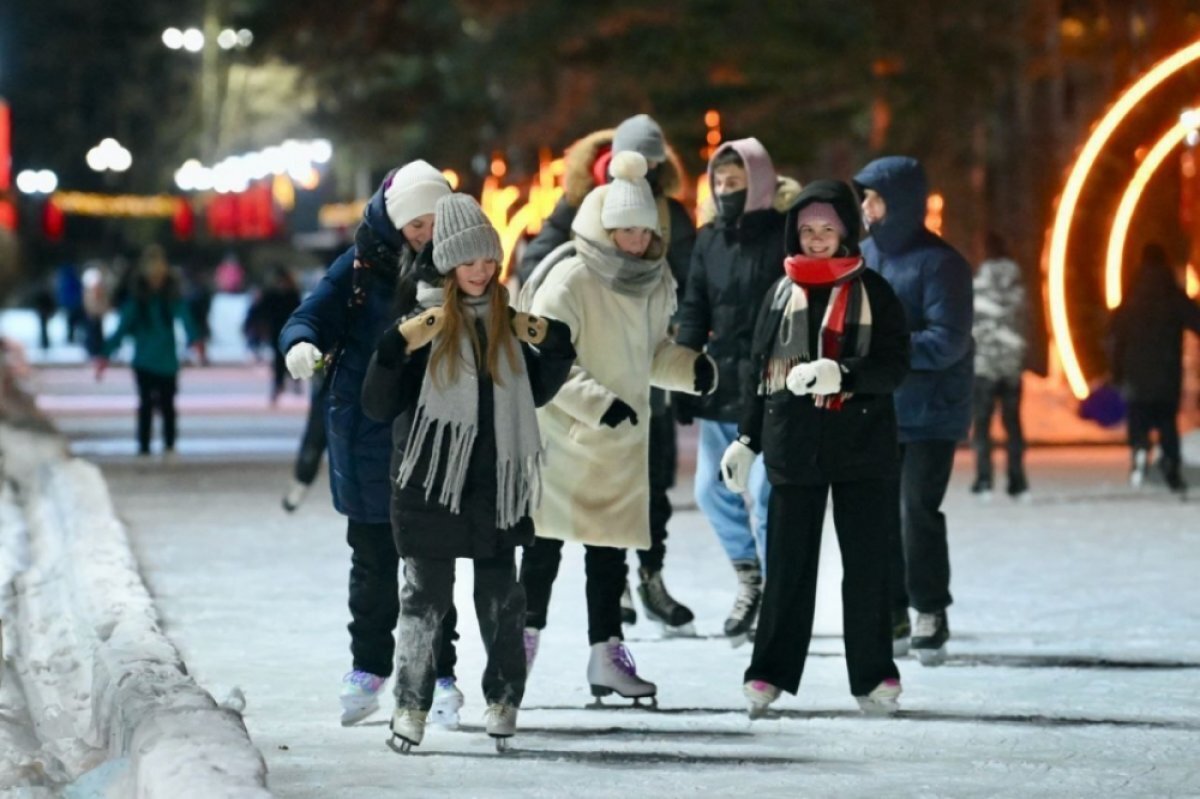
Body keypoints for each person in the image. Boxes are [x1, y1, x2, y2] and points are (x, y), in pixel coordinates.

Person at [362, 193, 575, 751]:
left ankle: (504, 698)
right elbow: (378, 406)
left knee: (503, 601)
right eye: (469, 260)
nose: (481, 270)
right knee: (424, 602)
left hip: (494, 487)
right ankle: (409, 707)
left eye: (488, 259)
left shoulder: (508, 325)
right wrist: (393, 349)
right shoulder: (422, 324)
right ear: (447, 265)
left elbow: (541, 391)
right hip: (430, 482)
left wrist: (553, 343)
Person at [518, 151, 715, 703]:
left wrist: (688, 369)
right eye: (623, 229)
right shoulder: (570, 277)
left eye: (642, 229)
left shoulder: (654, 280)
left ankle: (607, 653)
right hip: (562, 436)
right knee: (543, 547)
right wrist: (595, 404)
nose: (633, 239)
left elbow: (649, 352)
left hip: (621, 438)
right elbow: (544, 360)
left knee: (609, 554)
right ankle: (520, 643)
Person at [279, 161, 466, 727]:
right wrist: (301, 344)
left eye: (437, 220)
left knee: (432, 565)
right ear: (394, 219)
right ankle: (369, 667)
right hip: (366, 433)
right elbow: (308, 315)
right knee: (373, 562)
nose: (427, 232)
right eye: (416, 222)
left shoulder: (461, 264)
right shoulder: (358, 266)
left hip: (435, 434)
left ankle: (438, 673)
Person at [721, 179, 909, 718]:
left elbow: (895, 366)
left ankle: (874, 674)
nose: (817, 240)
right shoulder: (779, 292)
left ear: (847, 232)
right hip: (792, 446)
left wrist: (841, 373)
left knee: (868, 567)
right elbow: (759, 373)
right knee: (788, 567)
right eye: (807, 230)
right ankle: (768, 673)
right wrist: (747, 440)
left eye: (828, 230)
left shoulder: (876, 291)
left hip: (863, 447)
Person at [676, 137, 800, 645]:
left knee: (768, 491)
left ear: (760, 183)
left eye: (737, 183)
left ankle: (773, 594)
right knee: (711, 488)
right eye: (721, 184)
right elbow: (694, 307)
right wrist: (685, 373)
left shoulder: (784, 235)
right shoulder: (708, 240)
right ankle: (749, 574)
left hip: (773, 383)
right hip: (721, 381)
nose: (728, 192)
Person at [854, 156, 973, 666]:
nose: (865, 207)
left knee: (915, 512)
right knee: (877, 516)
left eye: (874, 198)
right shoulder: (861, 258)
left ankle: (930, 608)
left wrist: (887, 350)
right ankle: (893, 609)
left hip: (929, 415)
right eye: (863, 198)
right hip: (877, 412)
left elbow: (948, 341)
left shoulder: (941, 263)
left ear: (899, 202)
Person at [1108, 242, 1200, 493]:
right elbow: (1196, 321)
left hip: (1136, 370)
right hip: (1167, 370)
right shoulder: (1173, 295)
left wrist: (1117, 372)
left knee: (1138, 416)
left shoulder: (1132, 295)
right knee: (1166, 421)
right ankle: (1171, 465)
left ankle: (1139, 449)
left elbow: (1116, 333)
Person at [95, 245, 202, 458]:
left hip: (166, 362)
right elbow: (122, 328)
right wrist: (106, 354)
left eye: (159, 275)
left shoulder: (170, 299)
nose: (156, 280)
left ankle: (169, 444)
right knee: (145, 405)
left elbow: (186, 319)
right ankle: (144, 445)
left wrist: (195, 340)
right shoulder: (137, 302)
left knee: (167, 405)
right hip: (144, 362)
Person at [970, 232, 1030, 499]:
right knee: (1013, 424)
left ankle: (984, 480)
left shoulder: (979, 287)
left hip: (984, 366)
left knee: (982, 425)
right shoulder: (1018, 290)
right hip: (1011, 367)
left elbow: (971, 326)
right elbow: (1025, 326)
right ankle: (1017, 481)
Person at [247, 266, 303, 404]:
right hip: (277, 332)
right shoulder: (271, 296)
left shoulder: (293, 295)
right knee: (279, 359)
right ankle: (278, 386)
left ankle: (294, 380)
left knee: (292, 356)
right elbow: (259, 311)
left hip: (291, 331)